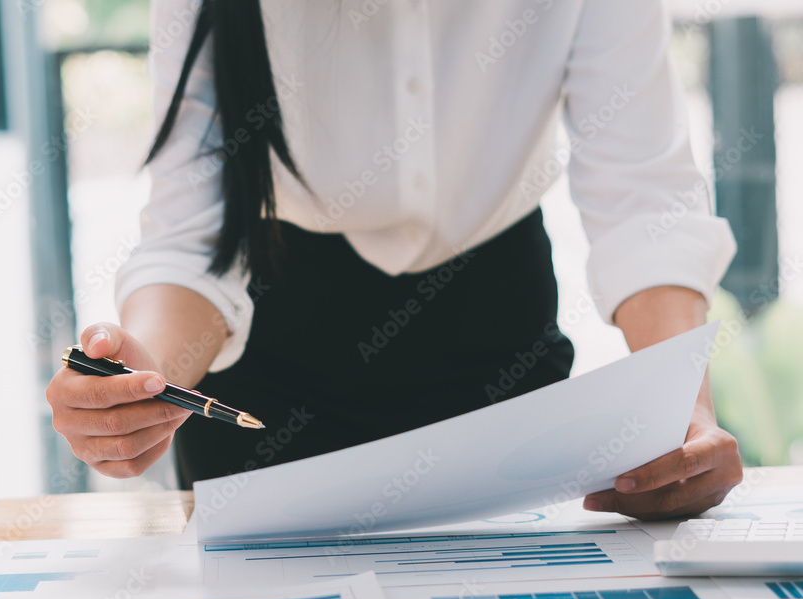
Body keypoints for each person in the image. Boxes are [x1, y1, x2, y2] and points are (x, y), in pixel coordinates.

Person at [46, 0, 744, 520]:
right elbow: (190, 233)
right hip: (270, 366)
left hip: (498, 344)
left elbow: (642, 199)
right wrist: (147, 379)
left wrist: (682, 410)